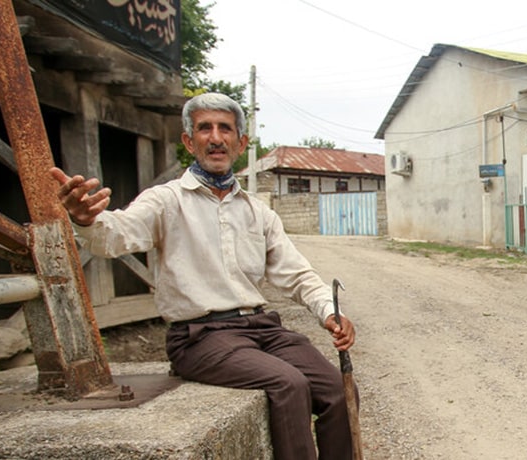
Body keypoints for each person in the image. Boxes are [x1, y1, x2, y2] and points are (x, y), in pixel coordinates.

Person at [49, 92, 357, 460]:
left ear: (240, 142)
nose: (215, 138)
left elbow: (298, 275)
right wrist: (86, 220)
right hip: (199, 337)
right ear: (188, 140)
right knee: (289, 384)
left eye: (225, 129)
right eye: (204, 128)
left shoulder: (258, 212)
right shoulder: (166, 200)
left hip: (261, 329)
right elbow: (117, 233)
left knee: (337, 390)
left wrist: (329, 312)